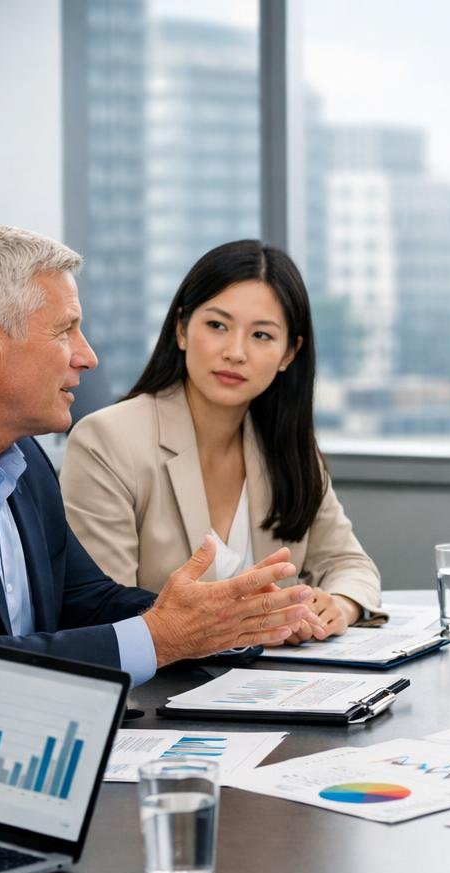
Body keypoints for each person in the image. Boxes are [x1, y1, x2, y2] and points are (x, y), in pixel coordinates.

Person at [0, 226, 317, 770]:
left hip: (2, 762)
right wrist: (158, 638)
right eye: (66, 331)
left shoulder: (20, 456)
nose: (87, 357)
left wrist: (223, 622)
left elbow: (84, 601)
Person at [61, 240, 381, 640]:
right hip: (161, 691)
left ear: (289, 353)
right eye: (217, 326)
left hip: (277, 691)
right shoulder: (107, 441)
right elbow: (103, 610)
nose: (235, 352)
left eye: (262, 335)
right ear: (181, 329)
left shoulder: (287, 448)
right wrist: (254, 623)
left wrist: (339, 605)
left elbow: (349, 562)